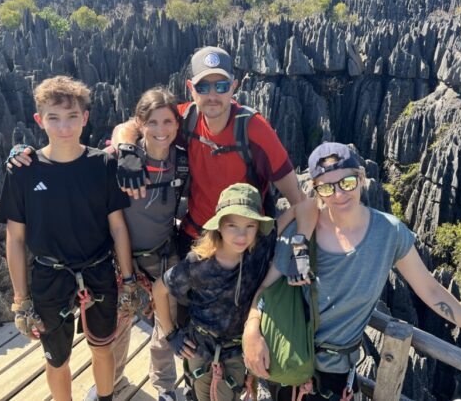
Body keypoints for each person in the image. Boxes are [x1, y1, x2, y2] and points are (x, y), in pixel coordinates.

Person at [242, 142, 461, 401]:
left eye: (347, 182)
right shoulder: (302, 233)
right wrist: (251, 329)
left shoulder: (389, 233)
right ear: (316, 190)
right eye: (327, 187)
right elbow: (266, 288)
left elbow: (431, 291)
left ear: (362, 179)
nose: (339, 194)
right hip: (290, 362)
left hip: (337, 374)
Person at [0, 76, 138, 401]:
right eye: (54, 118)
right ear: (39, 120)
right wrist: (21, 301)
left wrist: (128, 280)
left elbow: (117, 227)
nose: (64, 127)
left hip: (98, 270)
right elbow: (15, 239)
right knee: (56, 358)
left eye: (72, 116)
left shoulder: (103, 164)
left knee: (102, 348)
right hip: (49, 275)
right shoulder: (23, 171)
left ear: (85, 118)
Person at [113, 46, 305, 257]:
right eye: (203, 87)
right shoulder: (185, 118)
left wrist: (294, 251)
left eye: (221, 86)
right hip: (196, 235)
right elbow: (130, 126)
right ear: (191, 88)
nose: (212, 95)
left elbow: (298, 200)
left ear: (233, 86)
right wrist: (128, 152)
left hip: (241, 241)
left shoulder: (254, 130)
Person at [153, 183, 316, 401]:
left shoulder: (260, 246)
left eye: (250, 225)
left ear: (258, 227)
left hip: (239, 351)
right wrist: (171, 334)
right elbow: (159, 289)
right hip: (201, 350)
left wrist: (300, 250)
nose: (242, 235)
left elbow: (305, 205)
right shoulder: (198, 263)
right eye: (232, 225)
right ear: (219, 226)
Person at [83, 88, 188, 401]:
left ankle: (165, 387)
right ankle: (111, 383)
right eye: (152, 122)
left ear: (177, 125)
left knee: (163, 324)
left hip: (163, 254)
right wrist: (21, 154)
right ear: (140, 123)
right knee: (120, 324)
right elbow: (79, 162)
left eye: (168, 122)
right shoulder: (121, 159)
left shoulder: (180, 160)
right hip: (121, 258)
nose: (161, 130)